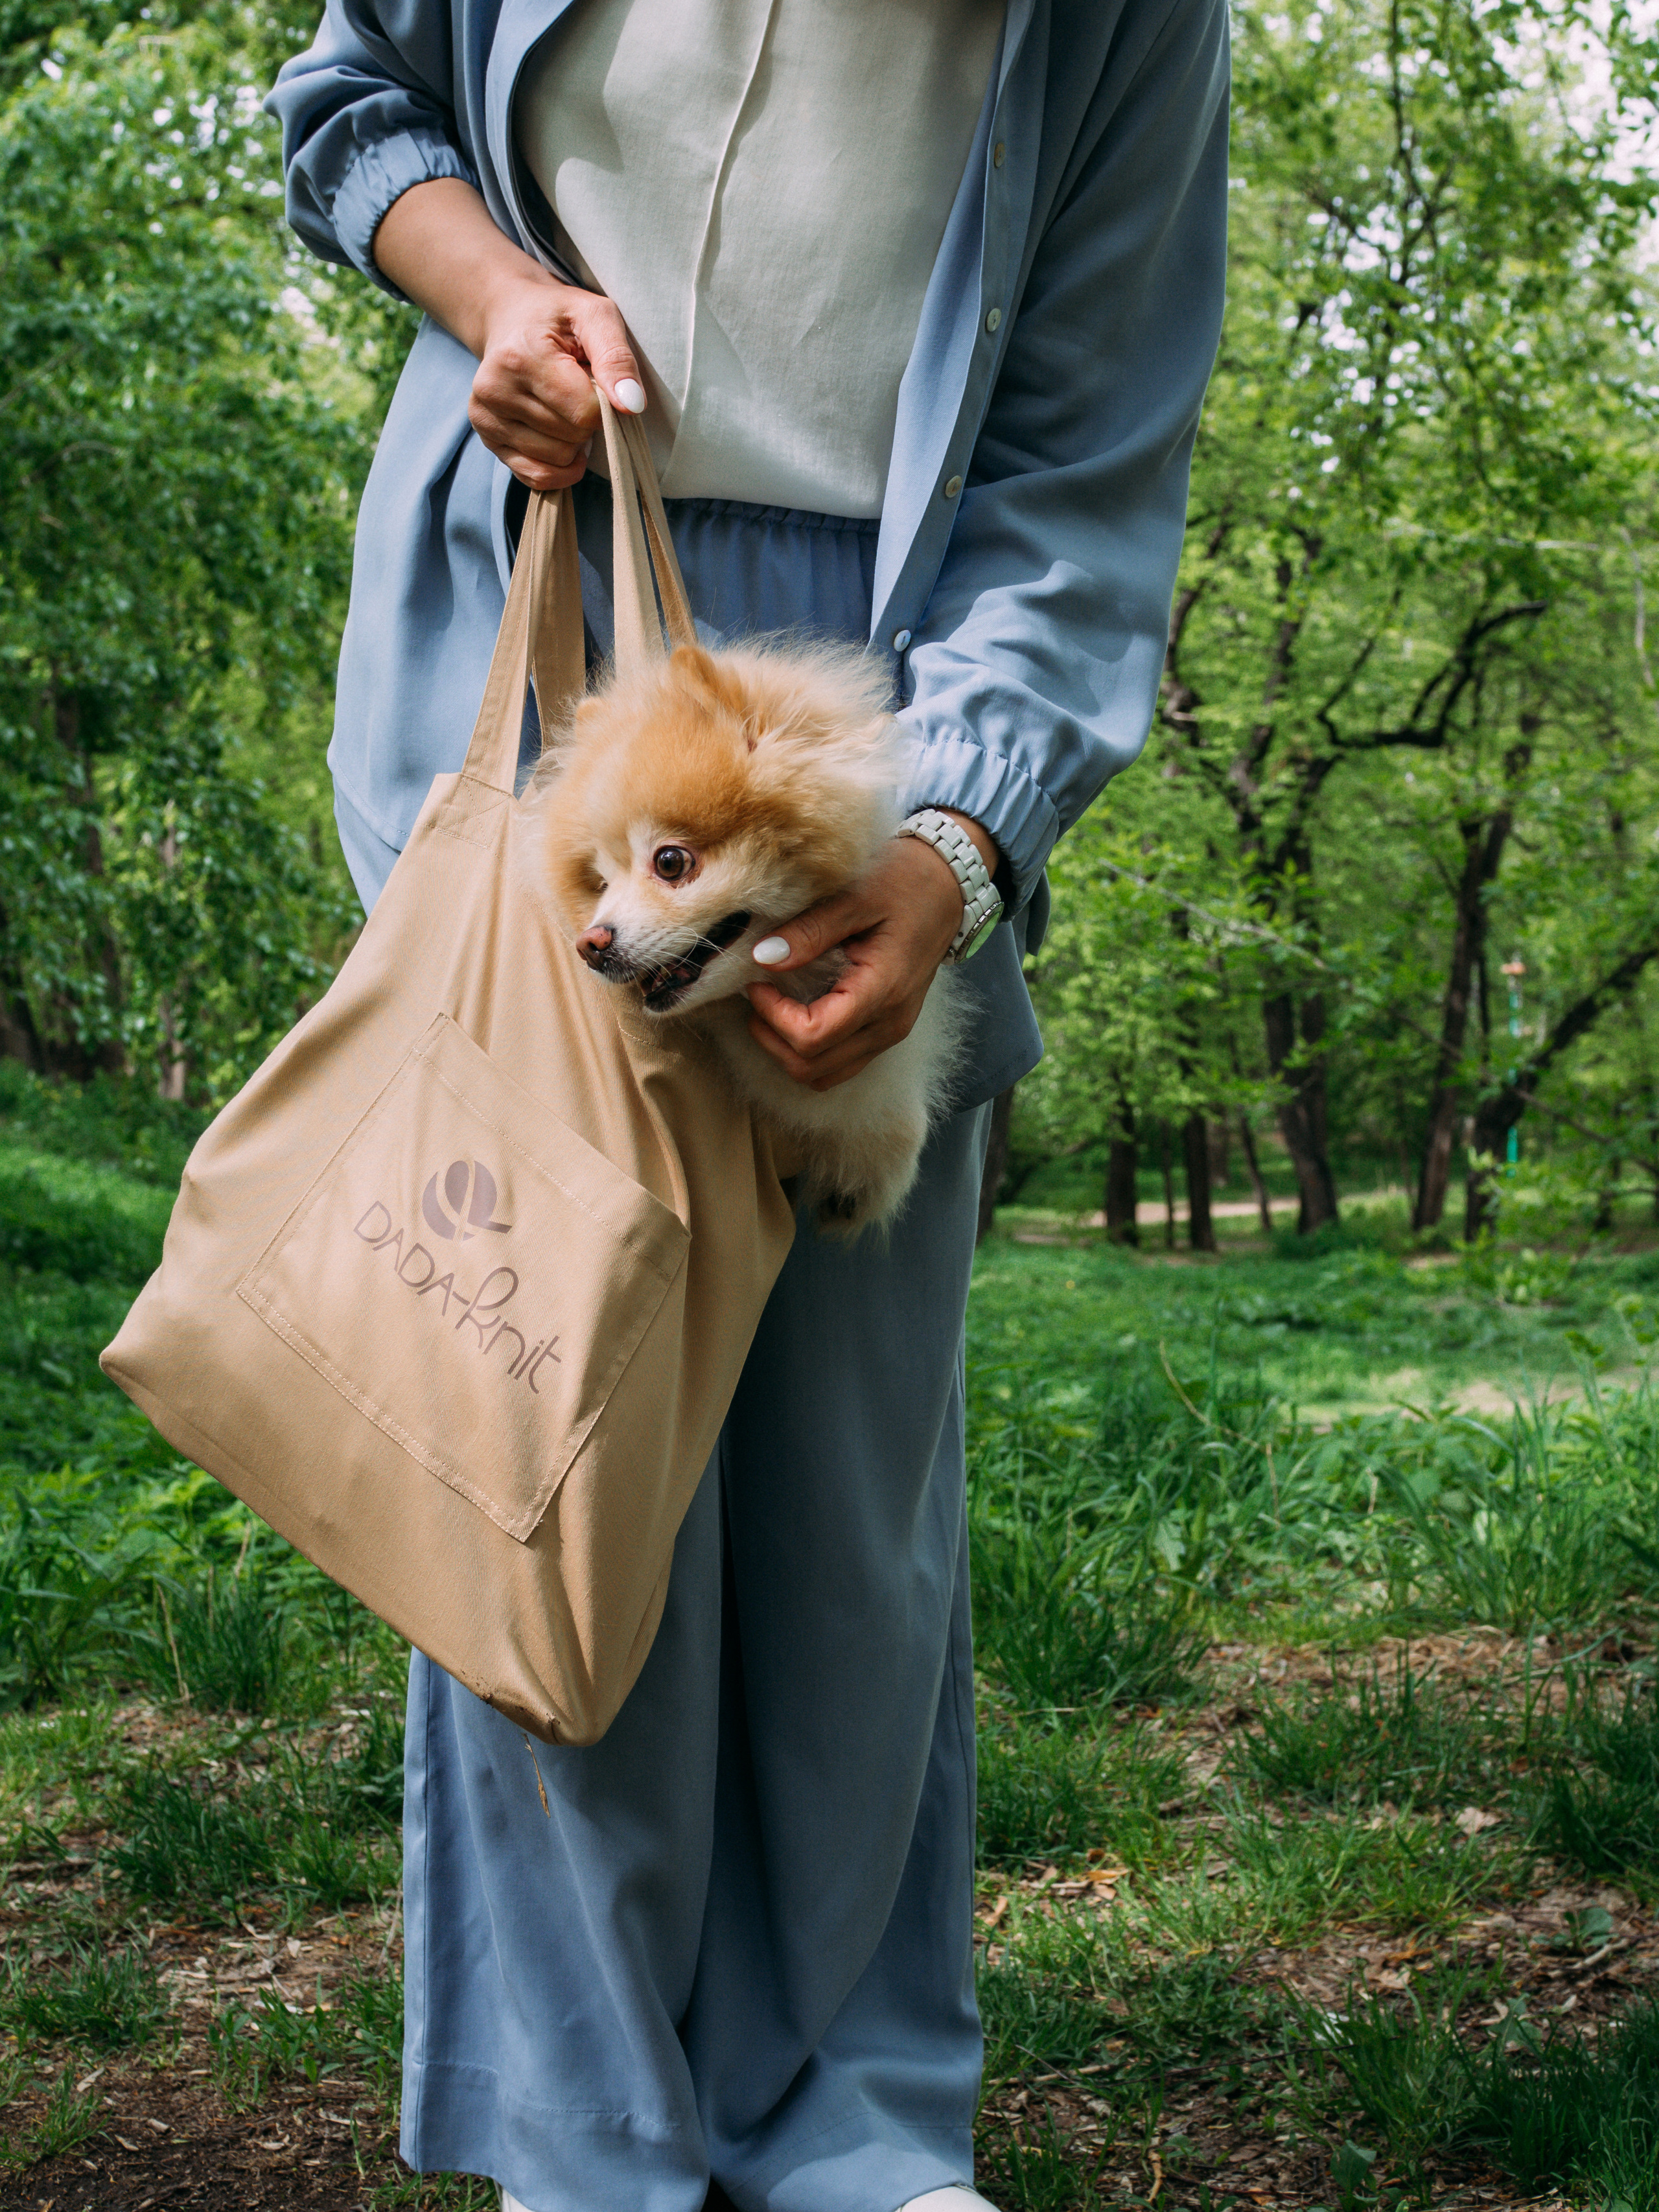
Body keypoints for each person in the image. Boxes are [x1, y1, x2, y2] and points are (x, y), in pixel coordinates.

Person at [269, 4, 1228, 2207]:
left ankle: (859, 2124)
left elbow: (1085, 468)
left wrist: (959, 846)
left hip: (874, 703)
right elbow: (347, 102)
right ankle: (581, 2128)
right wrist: (495, 296)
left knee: (847, 1439)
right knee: (547, 1419)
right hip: (531, 612)